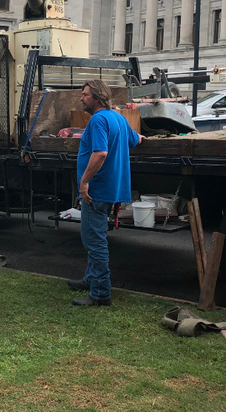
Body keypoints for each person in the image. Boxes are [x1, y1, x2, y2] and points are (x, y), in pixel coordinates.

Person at [68, 80, 143, 307]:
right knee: (93, 238)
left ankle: (100, 293)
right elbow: (135, 139)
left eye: (85, 95)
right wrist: (143, 138)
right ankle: (91, 279)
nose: (81, 98)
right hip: (111, 189)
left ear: (97, 97)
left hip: (97, 190)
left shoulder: (99, 119)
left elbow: (100, 153)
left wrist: (84, 182)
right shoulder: (118, 118)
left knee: (94, 241)